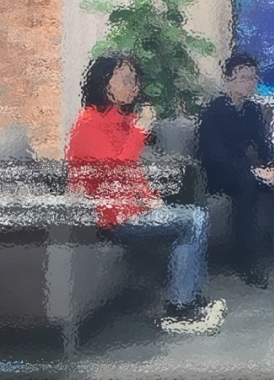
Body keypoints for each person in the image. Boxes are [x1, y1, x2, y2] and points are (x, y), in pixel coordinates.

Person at [66, 52, 226, 334]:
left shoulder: (120, 119)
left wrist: (150, 197)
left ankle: (190, 298)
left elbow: (131, 173)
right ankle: (180, 308)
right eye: (125, 80)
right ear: (104, 84)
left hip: (129, 211)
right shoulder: (88, 124)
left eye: (135, 80)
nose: (134, 87)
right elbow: (117, 167)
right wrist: (140, 130)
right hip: (109, 217)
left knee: (195, 215)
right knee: (192, 220)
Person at [196, 53, 274, 288]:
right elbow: (215, 156)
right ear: (228, 80)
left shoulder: (252, 110)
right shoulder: (214, 111)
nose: (250, 83)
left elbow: (265, 146)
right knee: (246, 184)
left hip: (246, 170)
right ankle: (247, 262)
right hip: (218, 174)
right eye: (243, 78)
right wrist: (255, 172)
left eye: (253, 78)